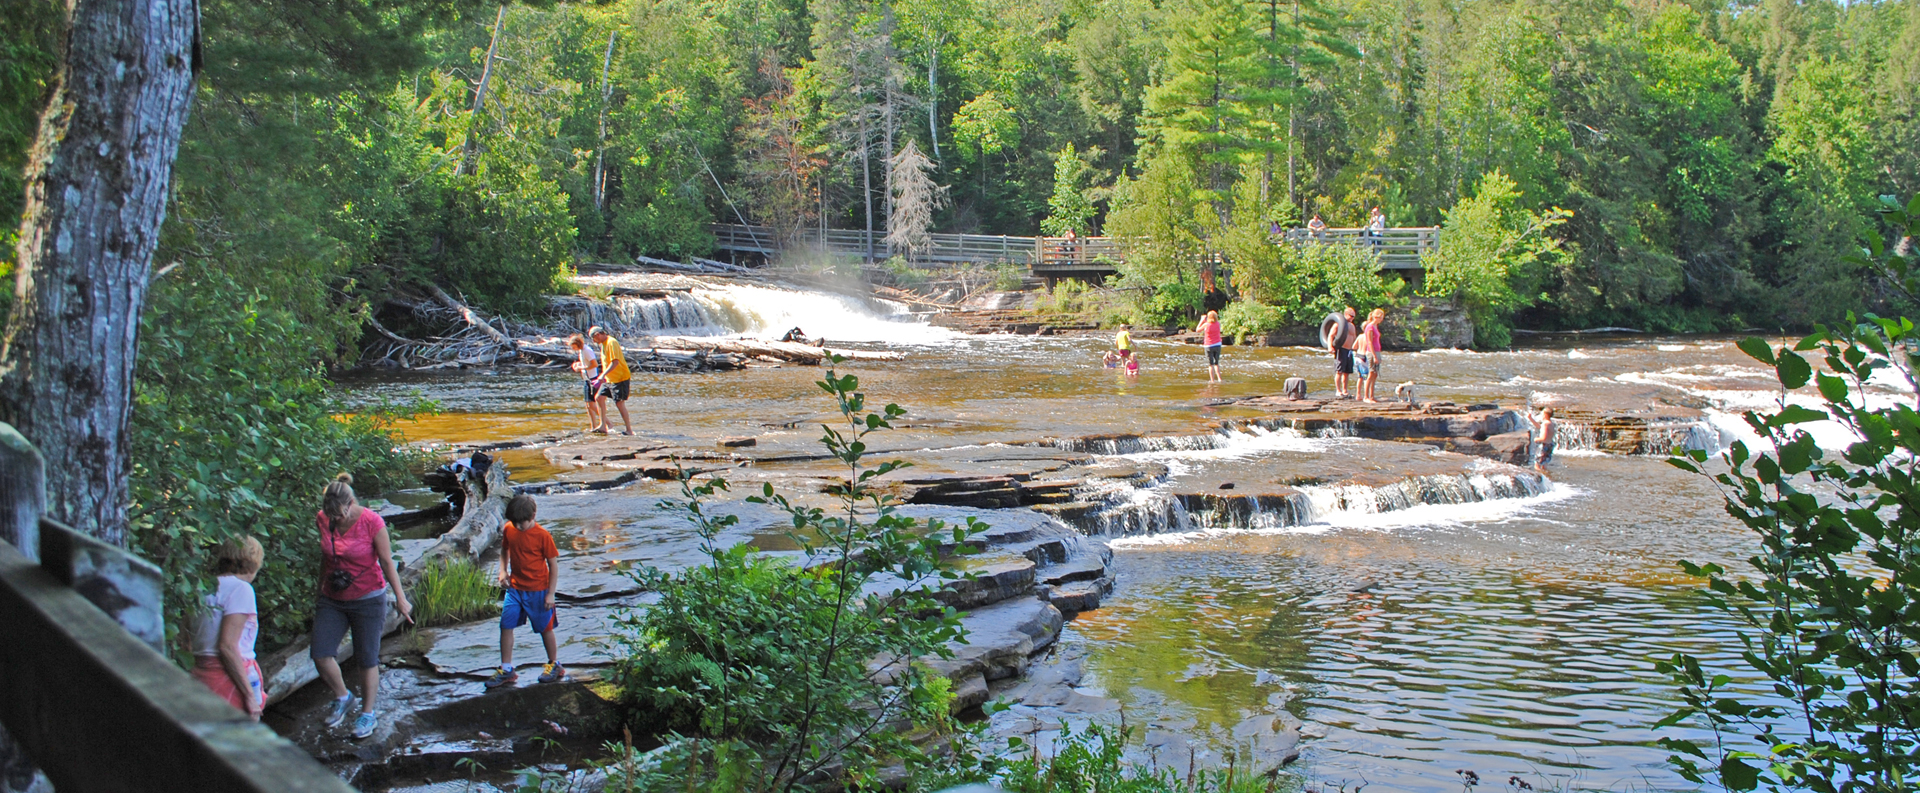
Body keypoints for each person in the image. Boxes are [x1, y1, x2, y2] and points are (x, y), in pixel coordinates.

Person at [311, 473, 412, 740]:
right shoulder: (324, 518)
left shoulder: (372, 521)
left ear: (351, 502)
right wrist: (318, 590)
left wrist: (401, 599)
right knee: (320, 653)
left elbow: (387, 562)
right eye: (331, 516)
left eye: (340, 515)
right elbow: (325, 556)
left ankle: (368, 714)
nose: (336, 520)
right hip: (332, 597)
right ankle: (343, 697)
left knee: (366, 658)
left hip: (368, 597)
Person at [486, 495, 567, 688]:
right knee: (506, 625)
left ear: (533, 515)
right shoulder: (509, 529)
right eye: (516, 523)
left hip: (538, 590)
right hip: (515, 589)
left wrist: (550, 593)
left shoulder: (543, 536)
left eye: (523, 523)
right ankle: (506, 669)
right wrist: (503, 570)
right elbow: (504, 550)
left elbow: (553, 565)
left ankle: (554, 664)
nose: (519, 527)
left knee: (544, 628)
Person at [191, 536, 265, 721]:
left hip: (201, 674)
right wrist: (249, 696)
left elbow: (186, 640)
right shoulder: (241, 589)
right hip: (228, 676)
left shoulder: (202, 587)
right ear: (254, 562)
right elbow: (227, 646)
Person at [589, 326, 635, 436]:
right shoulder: (603, 344)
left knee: (619, 403)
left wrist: (602, 375)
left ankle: (629, 430)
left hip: (620, 377)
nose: (594, 341)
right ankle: (602, 425)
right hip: (609, 379)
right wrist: (604, 376)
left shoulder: (612, 342)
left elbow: (615, 362)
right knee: (598, 398)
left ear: (597, 335)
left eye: (593, 339)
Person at [568, 334, 605, 434]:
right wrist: (578, 365)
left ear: (577, 344)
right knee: (588, 406)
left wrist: (581, 368)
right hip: (586, 379)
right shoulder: (581, 351)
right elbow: (585, 363)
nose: (573, 349)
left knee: (593, 405)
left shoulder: (587, 350)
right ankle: (593, 426)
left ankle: (606, 423)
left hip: (592, 379)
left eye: (573, 346)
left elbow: (594, 364)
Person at [1324, 307, 1358, 398]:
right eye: (1351, 316)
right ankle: (1338, 390)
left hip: (1349, 351)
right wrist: (1330, 346)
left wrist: (1356, 349)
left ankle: (1345, 390)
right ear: (1346, 314)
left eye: (1354, 317)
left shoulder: (1352, 326)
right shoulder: (1338, 324)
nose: (1352, 318)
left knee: (1347, 372)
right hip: (1341, 349)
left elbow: (1354, 337)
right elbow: (1331, 335)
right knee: (1339, 371)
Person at [1359, 308, 1385, 403]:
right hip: (1371, 352)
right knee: (1371, 373)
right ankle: (1366, 397)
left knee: (1375, 374)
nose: (1381, 319)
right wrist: (1374, 356)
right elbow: (1369, 342)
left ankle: (1372, 396)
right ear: (1375, 317)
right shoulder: (1369, 327)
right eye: (1380, 317)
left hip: (1377, 351)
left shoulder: (1375, 326)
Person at [1195, 310, 1224, 383]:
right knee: (1216, 363)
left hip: (1209, 345)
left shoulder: (1206, 325)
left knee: (1211, 364)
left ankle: (1212, 380)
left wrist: (1201, 320)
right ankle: (1220, 379)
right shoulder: (1218, 324)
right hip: (1217, 344)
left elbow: (1197, 330)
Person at [1527, 407, 1557, 472]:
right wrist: (1530, 418)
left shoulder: (1545, 424)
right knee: (1544, 464)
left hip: (1544, 446)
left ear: (1545, 415)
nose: (1541, 415)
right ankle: (1546, 478)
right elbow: (1539, 427)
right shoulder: (1551, 423)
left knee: (1537, 464)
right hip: (1550, 445)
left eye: (1542, 414)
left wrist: (1536, 439)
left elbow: (1544, 438)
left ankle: (1539, 478)